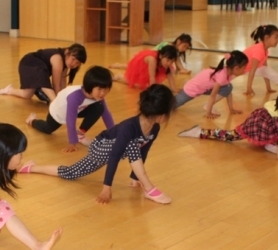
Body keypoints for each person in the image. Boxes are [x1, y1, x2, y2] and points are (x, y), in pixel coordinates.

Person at [22, 84, 176, 205]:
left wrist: (135, 176)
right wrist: (106, 187)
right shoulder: (129, 128)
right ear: (162, 114)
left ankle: (146, 185)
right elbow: (114, 156)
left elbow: (144, 150)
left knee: (132, 145)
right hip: (101, 146)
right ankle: (149, 188)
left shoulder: (154, 128)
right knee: (131, 144)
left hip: (119, 148)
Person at [178, 71, 278, 163]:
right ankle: (199, 132)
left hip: (270, 123)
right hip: (260, 123)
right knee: (231, 136)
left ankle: (272, 144)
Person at [26, 66, 115, 153]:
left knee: (99, 107)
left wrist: (114, 135)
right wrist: (72, 142)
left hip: (78, 109)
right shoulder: (74, 97)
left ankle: (80, 134)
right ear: (90, 86)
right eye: (99, 89)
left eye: (106, 89)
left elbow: (106, 114)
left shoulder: (98, 96)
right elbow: (71, 120)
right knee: (47, 129)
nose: (103, 93)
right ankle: (32, 121)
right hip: (58, 112)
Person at [0, 44, 87, 103]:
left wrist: (64, 96)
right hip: (29, 63)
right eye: (73, 59)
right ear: (67, 52)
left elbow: (62, 82)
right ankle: (55, 103)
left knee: (27, 95)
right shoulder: (58, 58)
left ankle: (9, 90)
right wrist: (58, 100)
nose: (73, 64)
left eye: (77, 63)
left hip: (37, 69)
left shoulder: (65, 65)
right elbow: (56, 84)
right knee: (43, 80)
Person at [174, 51, 248, 118]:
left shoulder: (227, 73)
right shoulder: (222, 76)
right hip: (191, 90)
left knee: (228, 87)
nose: (245, 70)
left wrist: (231, 109)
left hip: (203, 88)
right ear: (236, 68)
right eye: (244, 68)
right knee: (172, 105)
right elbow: (213, 96)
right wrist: (208, 112)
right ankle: (207, 106)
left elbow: (228, 91)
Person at [112, 45, 179, 91]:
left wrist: (173, 88)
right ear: (160, 56)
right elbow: (152, 77)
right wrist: (153, 90)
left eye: (172, 61)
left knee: (150, 83)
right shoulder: (152, 60)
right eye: (168, 60)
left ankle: (119, 65)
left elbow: (169, 74)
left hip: (150, 65)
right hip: (141, 64)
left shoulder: (165, 62)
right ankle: (119, 76)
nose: (169, 63)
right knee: (134, 82)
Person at [243, 24, 278, 96]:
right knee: (224, 79)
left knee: (266, 69)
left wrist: (268, 88)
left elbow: (266, 71)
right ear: (267, 38)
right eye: (276, 37)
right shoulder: (259, 50)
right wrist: (249, 87)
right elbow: (252, 71)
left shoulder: (265, 50)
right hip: (237, 67)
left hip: (244, 69)